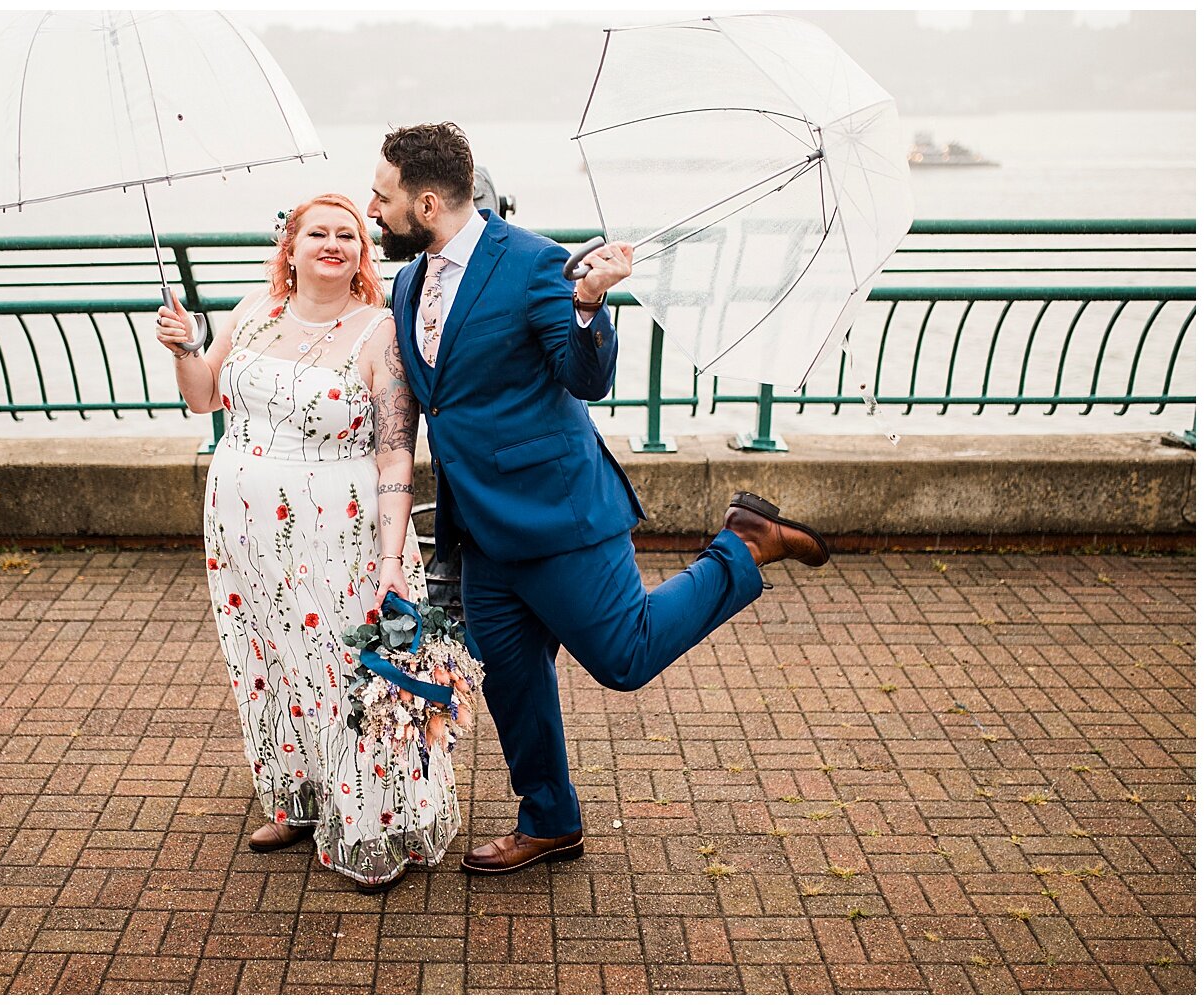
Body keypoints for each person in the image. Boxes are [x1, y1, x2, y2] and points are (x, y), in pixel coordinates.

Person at [367, 123, 830, 876]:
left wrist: (586, 303)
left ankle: (741, 545)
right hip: (481, 530)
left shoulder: (534, 263)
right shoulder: (411, 280)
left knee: (626, 655)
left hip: (559, 516)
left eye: (381, 197)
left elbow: (585, 377)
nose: (372, 209)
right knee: (511, 679)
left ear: (424, 202)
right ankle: (549, 820)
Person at [154, 193, 457, 894]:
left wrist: (390, 562)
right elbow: (203, 398)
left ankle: (373, 819)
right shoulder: (251, 313)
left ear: (361, 254)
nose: (332, 243)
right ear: (288, 248)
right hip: (241, 526)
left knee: (343, 672)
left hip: (339, 532)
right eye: (315, 232)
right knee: (267, 661)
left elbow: (393, 457)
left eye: (347, 234)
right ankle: (296, 798)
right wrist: (186, 350)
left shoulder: (381, 332)